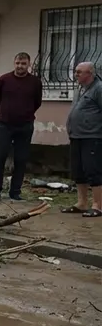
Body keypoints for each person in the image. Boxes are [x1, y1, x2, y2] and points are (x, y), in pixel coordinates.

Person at [0, 52, 42, 204]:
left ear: (28, 65)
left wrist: (24, 113)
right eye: (18, 63)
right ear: (14, 63)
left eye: (23, 63)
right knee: (0, 157)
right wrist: (7, 112)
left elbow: (37, 102)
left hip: (25, 126)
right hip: (4, 125)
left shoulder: (35, 82)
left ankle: (15, 192)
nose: (20, 66)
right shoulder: (4, 80)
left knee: (21, 159)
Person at [64, 61, 102, 218]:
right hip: (76, 136)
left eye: (79, 72)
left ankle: (98, 205)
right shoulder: (79, 88)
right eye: (76, 72)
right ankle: (82, 203)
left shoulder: (99, 89)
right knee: (78, 171)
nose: (76, 74)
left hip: (92, 136)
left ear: (90, 74)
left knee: (93, 170)